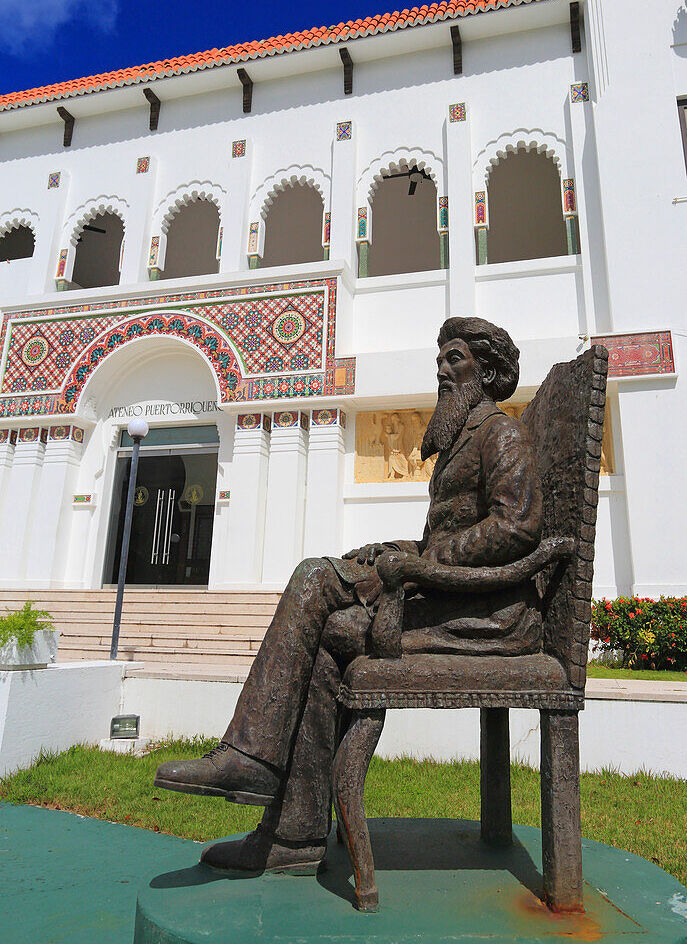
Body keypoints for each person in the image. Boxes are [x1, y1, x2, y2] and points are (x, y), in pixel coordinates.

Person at [154, 317, 542, 873]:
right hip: (446, 593)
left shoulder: (501, 434)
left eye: (455, 358)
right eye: (440, 357)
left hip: (489, 612)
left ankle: (251, 762)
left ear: (487, 371)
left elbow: (517, 528)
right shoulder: (464, 440)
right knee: (326, 625)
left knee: (313, 577)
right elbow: (453, 534)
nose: (441, 368)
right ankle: (294, 833)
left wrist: (421, 562)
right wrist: (394, 549)